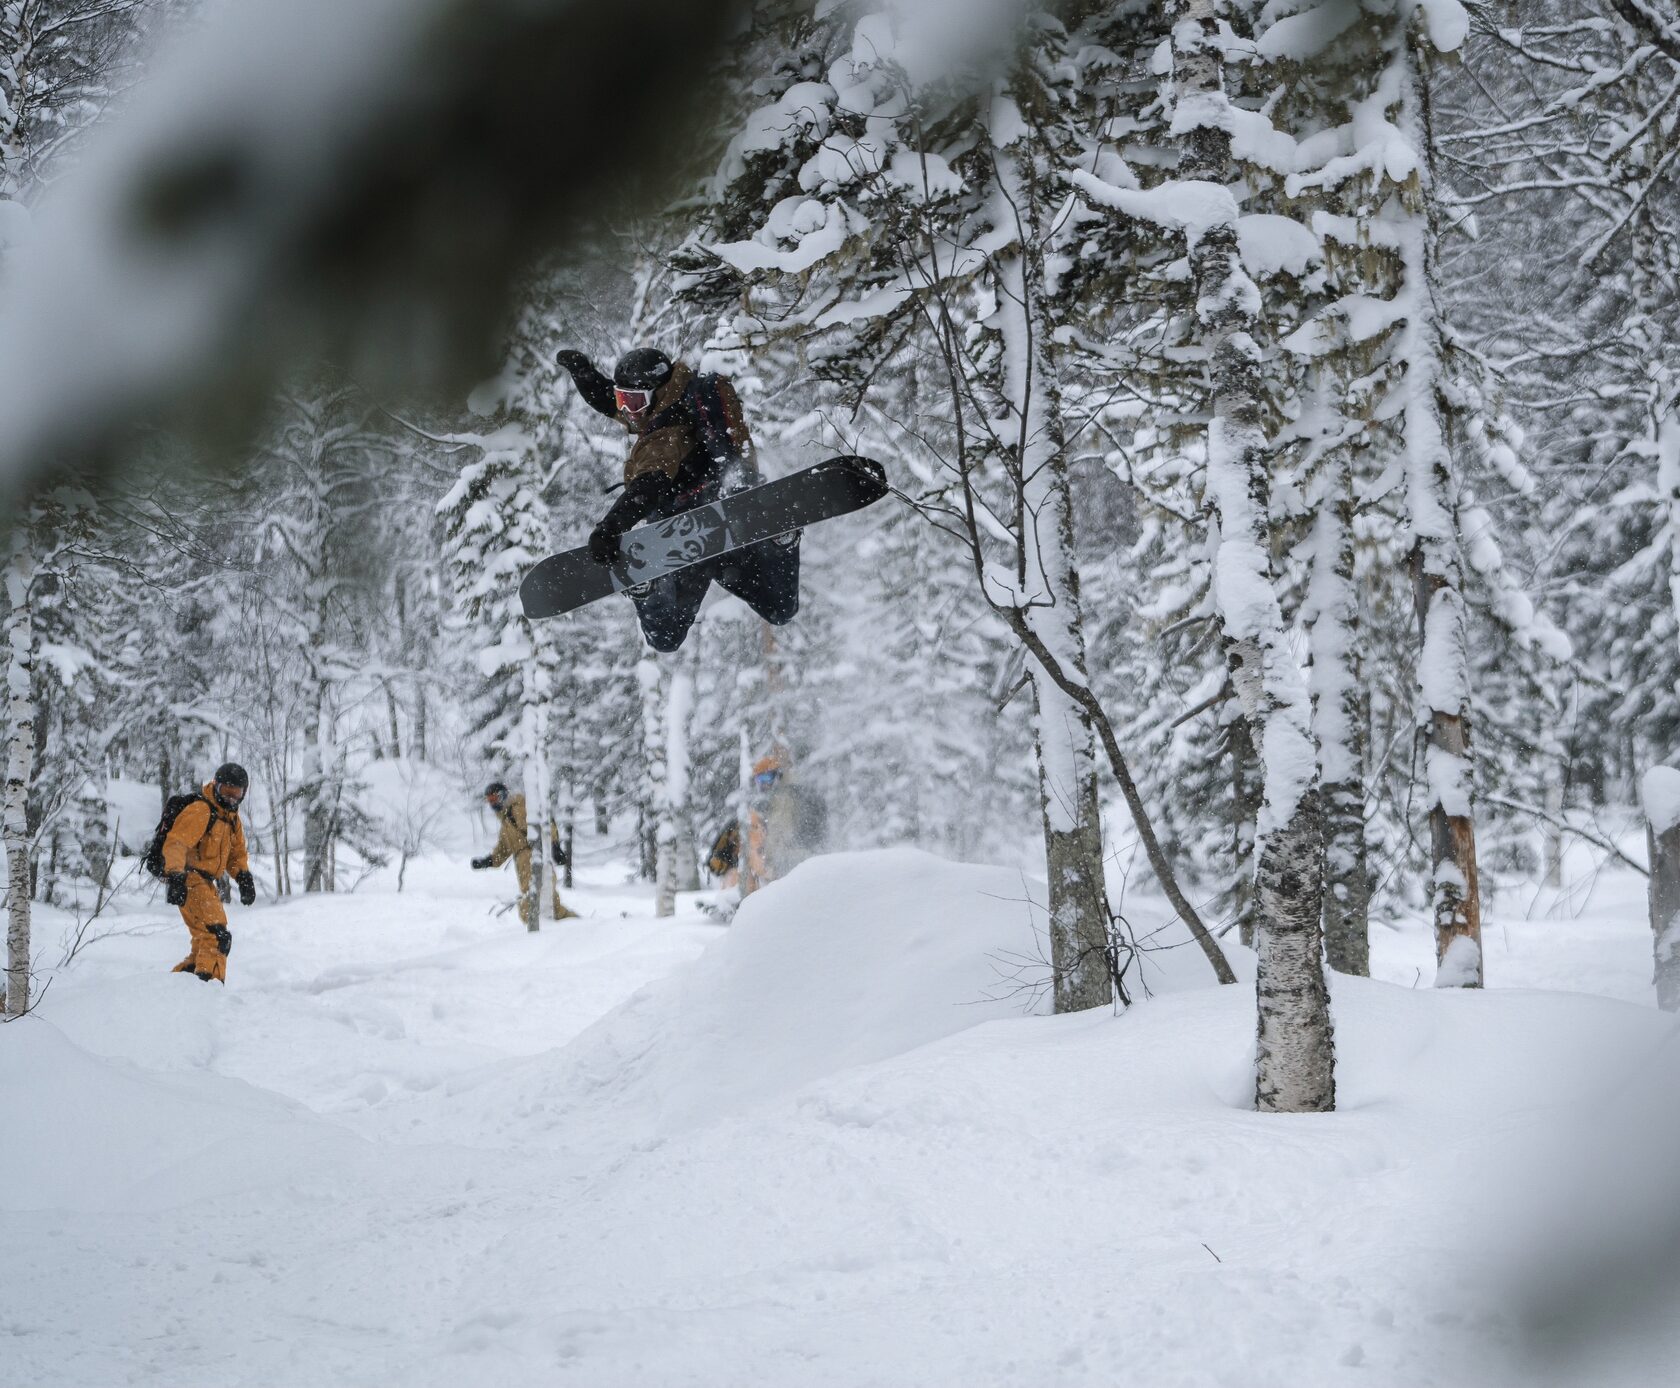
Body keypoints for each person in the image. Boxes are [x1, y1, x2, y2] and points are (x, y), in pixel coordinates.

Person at [555, 346, 800, 652]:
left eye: (632, 402)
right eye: (623, 399)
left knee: (665, 637)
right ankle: (782, 544)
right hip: (726, 526)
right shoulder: (669, 402)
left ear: (656, 393)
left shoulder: (666, 432)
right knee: (780, 609)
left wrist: (611, 527)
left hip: (680, 537)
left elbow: (650, 484)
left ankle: (646, 589)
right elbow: (608, 401)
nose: (628, 410)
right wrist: (585, 375)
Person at [164, 762, 257, 983]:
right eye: (227, 792)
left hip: (206, 883)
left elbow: (236, 854)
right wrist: (175, 876)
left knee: (204, 942)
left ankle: (173, 987)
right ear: (216, 785)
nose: (231, 799)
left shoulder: (231, 819)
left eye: (237, 794)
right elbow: (176, 842)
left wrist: (243, 877)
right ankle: (208, 993)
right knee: (217, 937)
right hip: (190, 878)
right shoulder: (202, 810)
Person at [470, 781, 578, 924]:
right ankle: (578, 927)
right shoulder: (506, 823)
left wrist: (554, 845)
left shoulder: (519, 808)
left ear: (502, 796)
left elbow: (544, 822)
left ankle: (548, 936)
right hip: (524, 864)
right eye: (489, 800)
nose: (492, 803)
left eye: (494, 798)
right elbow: (502, 851)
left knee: (533, 906)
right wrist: (486, 862)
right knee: (549, 906)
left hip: (535, 859)